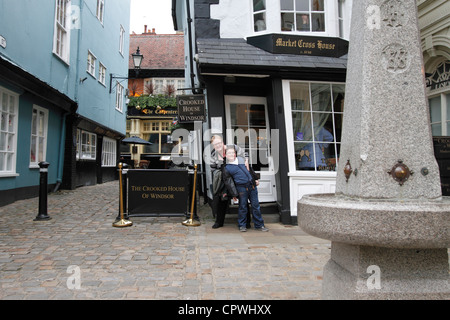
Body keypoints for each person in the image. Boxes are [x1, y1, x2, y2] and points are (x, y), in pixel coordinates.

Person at [222, 146, 268, 232]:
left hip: (252, 186)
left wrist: (255, 179)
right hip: (241, 188)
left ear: (235, 154)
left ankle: (259, 225)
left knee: (256, 206)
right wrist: (234, 194)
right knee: (242, 207)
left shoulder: (241, 159)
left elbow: (250, 170)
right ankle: (242, 225)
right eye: (229, 153)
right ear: (226, 155)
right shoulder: (227, 168)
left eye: (233, 152)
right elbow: (229, 183)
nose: (231, 154)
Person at [209, 135, 247, 229]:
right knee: (221, 200)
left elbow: (244, 157)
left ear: (222, 142)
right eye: (215, 144)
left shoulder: (233, 148)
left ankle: (246, 222)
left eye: (219, 143)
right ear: (213, 146)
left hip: (237, 177)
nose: (218, 145)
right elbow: (212, 168)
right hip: (224, 180)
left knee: (243, 199)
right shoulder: (214, 154)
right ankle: (219, 222)